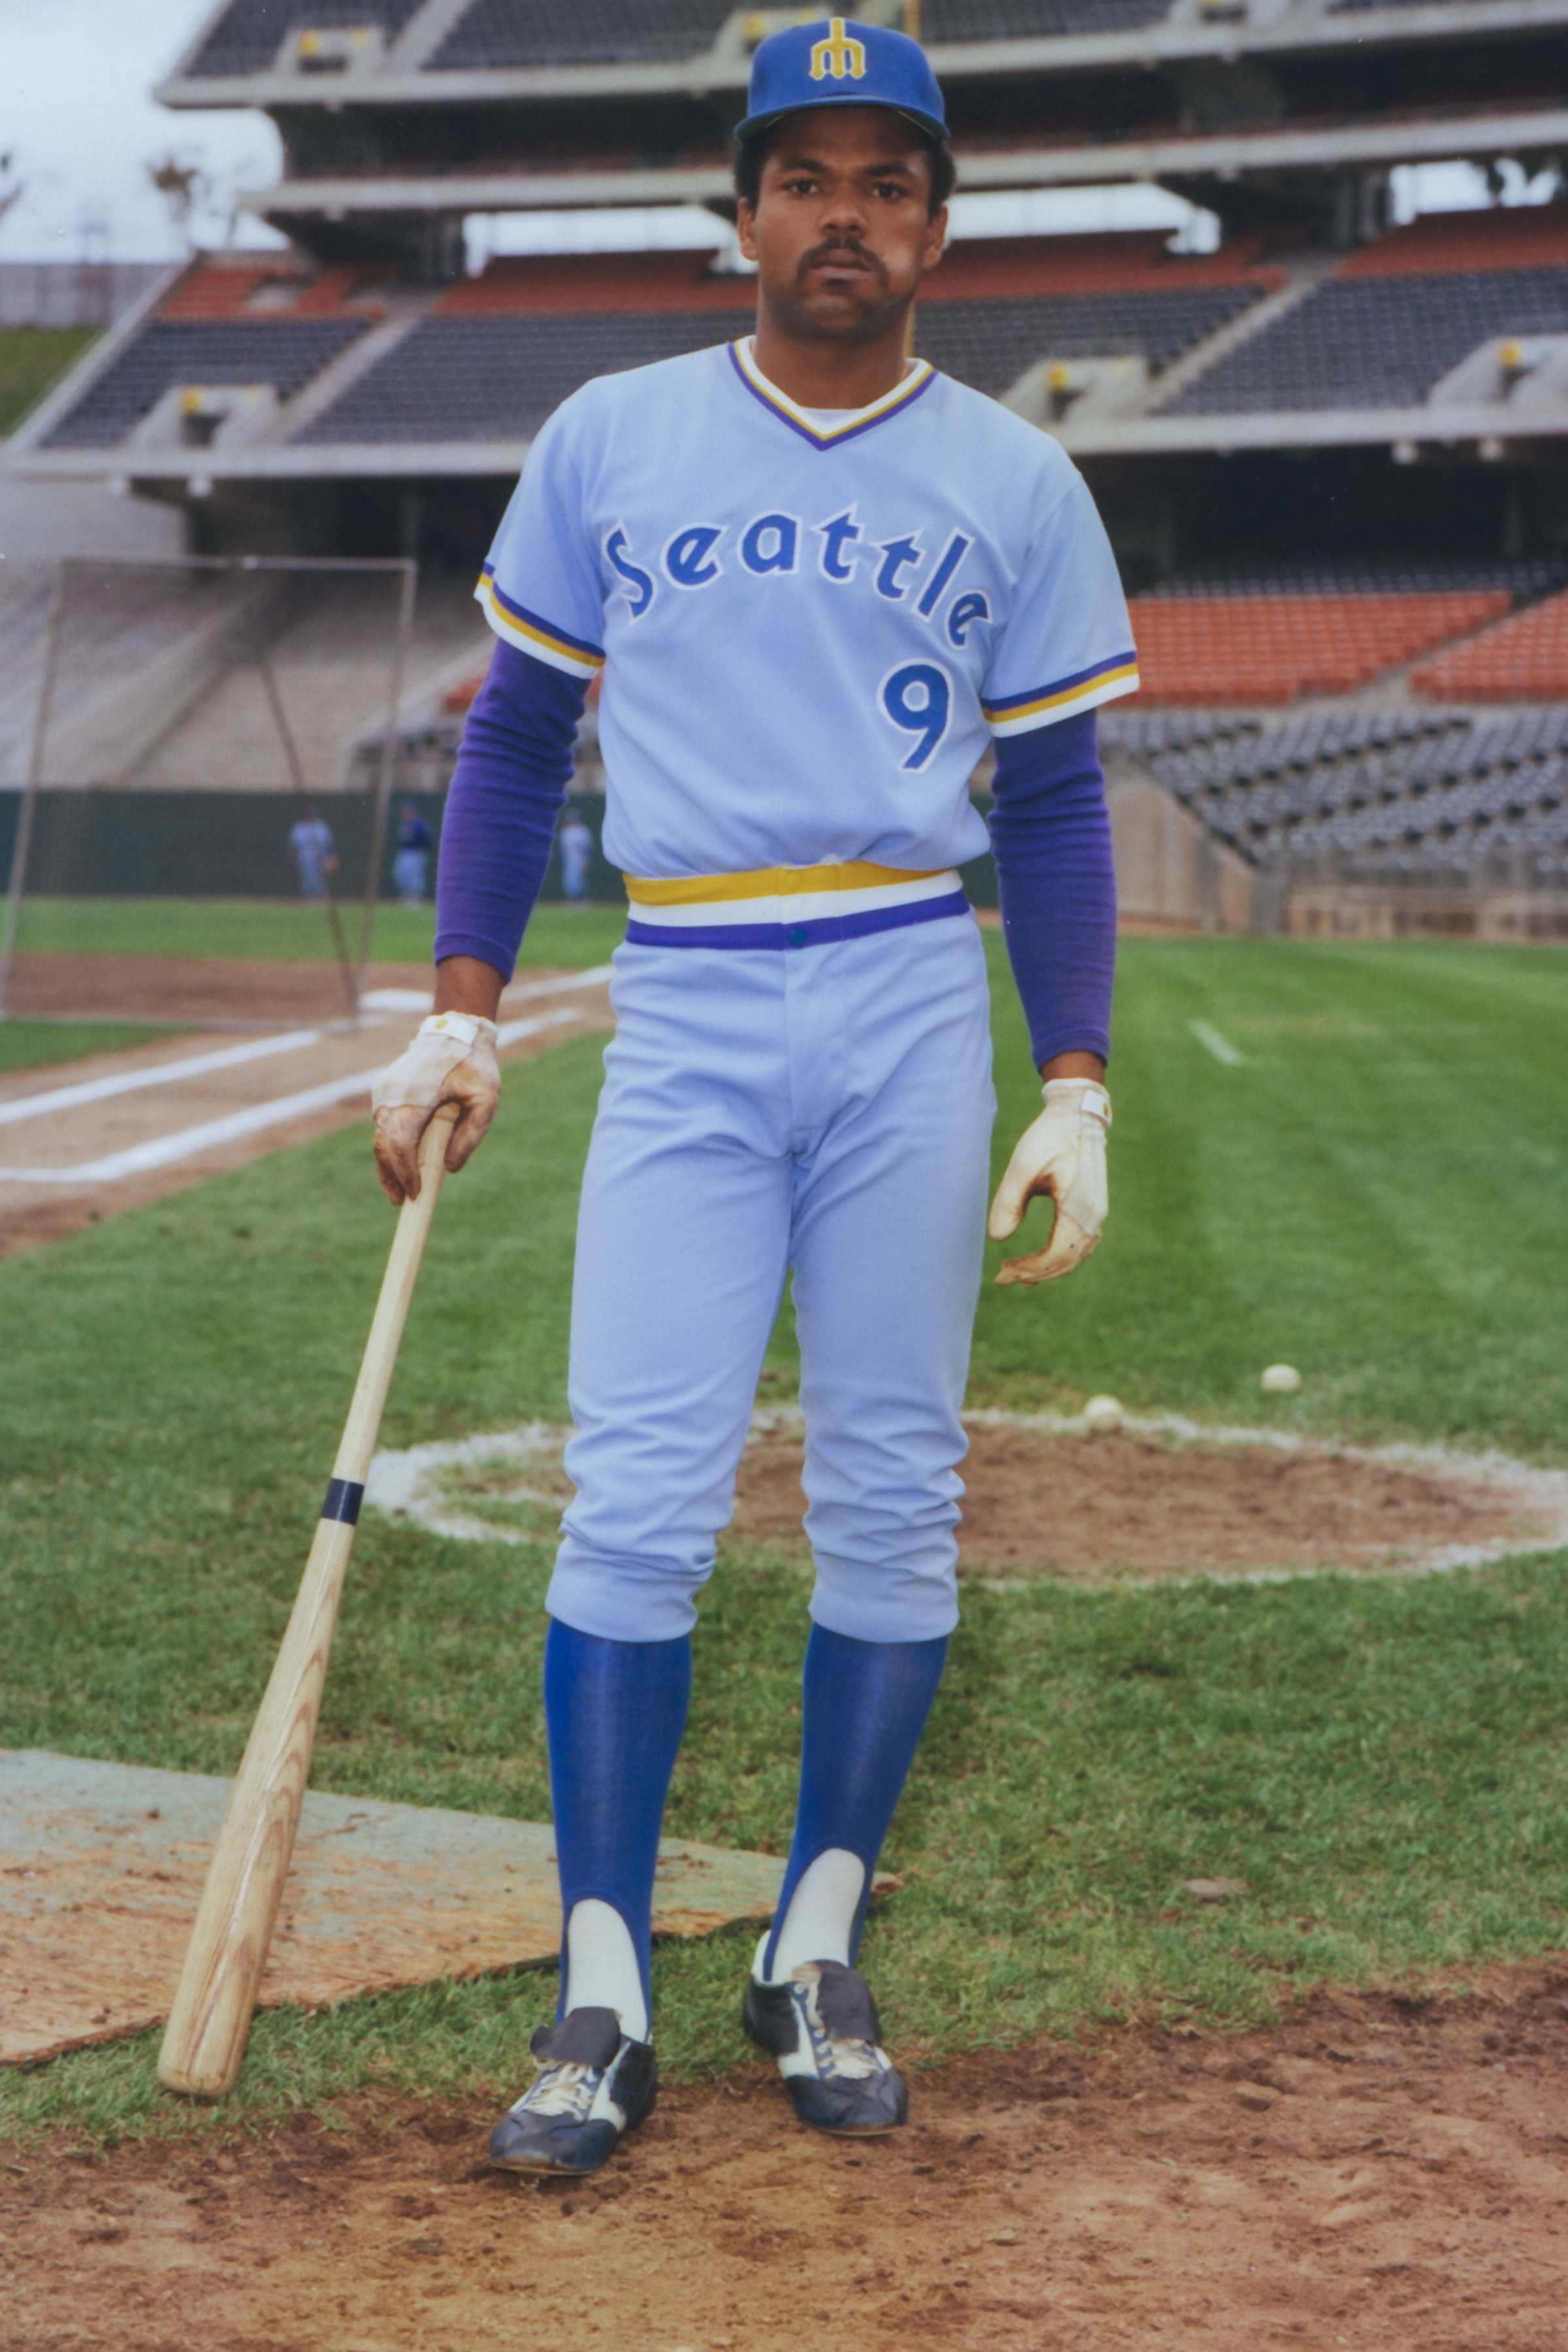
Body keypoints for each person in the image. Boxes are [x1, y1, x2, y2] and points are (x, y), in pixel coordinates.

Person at [372, 14, 1134, 2179]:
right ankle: (600, 1987)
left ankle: (813, 1942)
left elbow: (1060, 803)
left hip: (906, 973)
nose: (844, 216)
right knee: (640, 1494)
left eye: (888, 182)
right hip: (690, 990)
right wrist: (461, 1005)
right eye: (805, 177)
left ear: (937, 231)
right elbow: (517, 742)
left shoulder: (1013, 476)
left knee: (895, 1490)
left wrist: (1072, 1080)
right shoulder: (614, 438)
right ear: (742, 215)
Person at [287, 805, 336, 900]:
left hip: (321, 859)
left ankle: (322, 899)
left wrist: (331, 859)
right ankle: (309, 900)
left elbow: (329, 847)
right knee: (307, 882)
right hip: (305, 859)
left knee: (321, 882)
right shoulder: (299, 828)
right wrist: (294, 857)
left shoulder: (322, 828)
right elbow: (293, 847)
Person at [393, 801, 435, 906]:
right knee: (400, 875)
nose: (405, 815)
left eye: (407, 812)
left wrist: (423, 849)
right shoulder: (404, 824)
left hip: (417, 853)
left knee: (415, 877)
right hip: (405, 852)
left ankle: (416, 899)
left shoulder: (419, 825)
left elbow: (428, 839)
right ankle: (406, 897)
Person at [557, 808, 594, 902]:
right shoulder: (565, 831)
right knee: (569, 880)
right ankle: (572, 900)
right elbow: (563, 849)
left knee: (581, 880)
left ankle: (584, 899)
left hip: (580, 858)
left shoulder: (582, 830)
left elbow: (587, 847)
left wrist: (587, 860)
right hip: (569, 859)